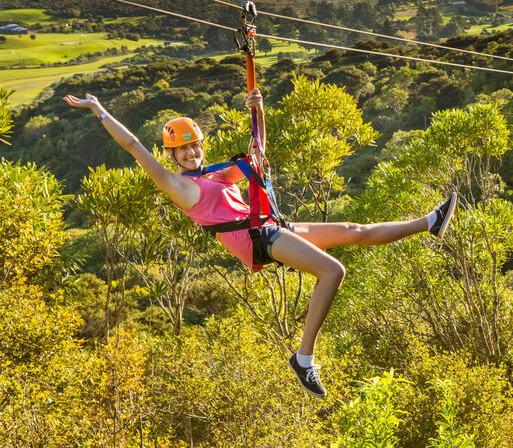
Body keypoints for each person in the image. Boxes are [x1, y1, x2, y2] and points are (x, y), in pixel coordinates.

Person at [64, 88, 457, 397]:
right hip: (258, 239)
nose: (191, 152)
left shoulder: (216, 176)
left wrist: (259, 111)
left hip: (269, 226)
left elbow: (258, 154)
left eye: (195, 144)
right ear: (172, 154)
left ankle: (430, 222)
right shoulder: (180, 187)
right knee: (333, 270)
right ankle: (304, 358)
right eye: (182, 148)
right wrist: (99, 108)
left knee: (356, 230)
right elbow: (133, 146)